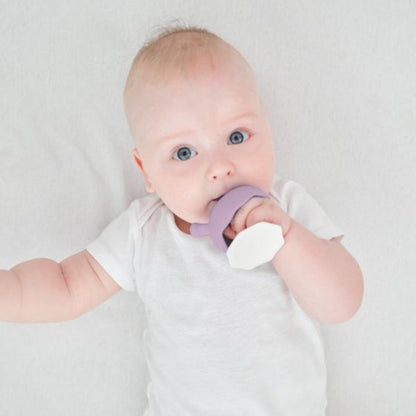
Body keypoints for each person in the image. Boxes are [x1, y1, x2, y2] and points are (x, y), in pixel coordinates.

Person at [0, 25, 363, 415]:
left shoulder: (287, 207)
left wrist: (287, 239)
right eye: (185, 152)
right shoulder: (144, 232)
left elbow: (341, 304)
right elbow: (66, 285)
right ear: (147, 171)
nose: (220, 167)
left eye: (237, 137)